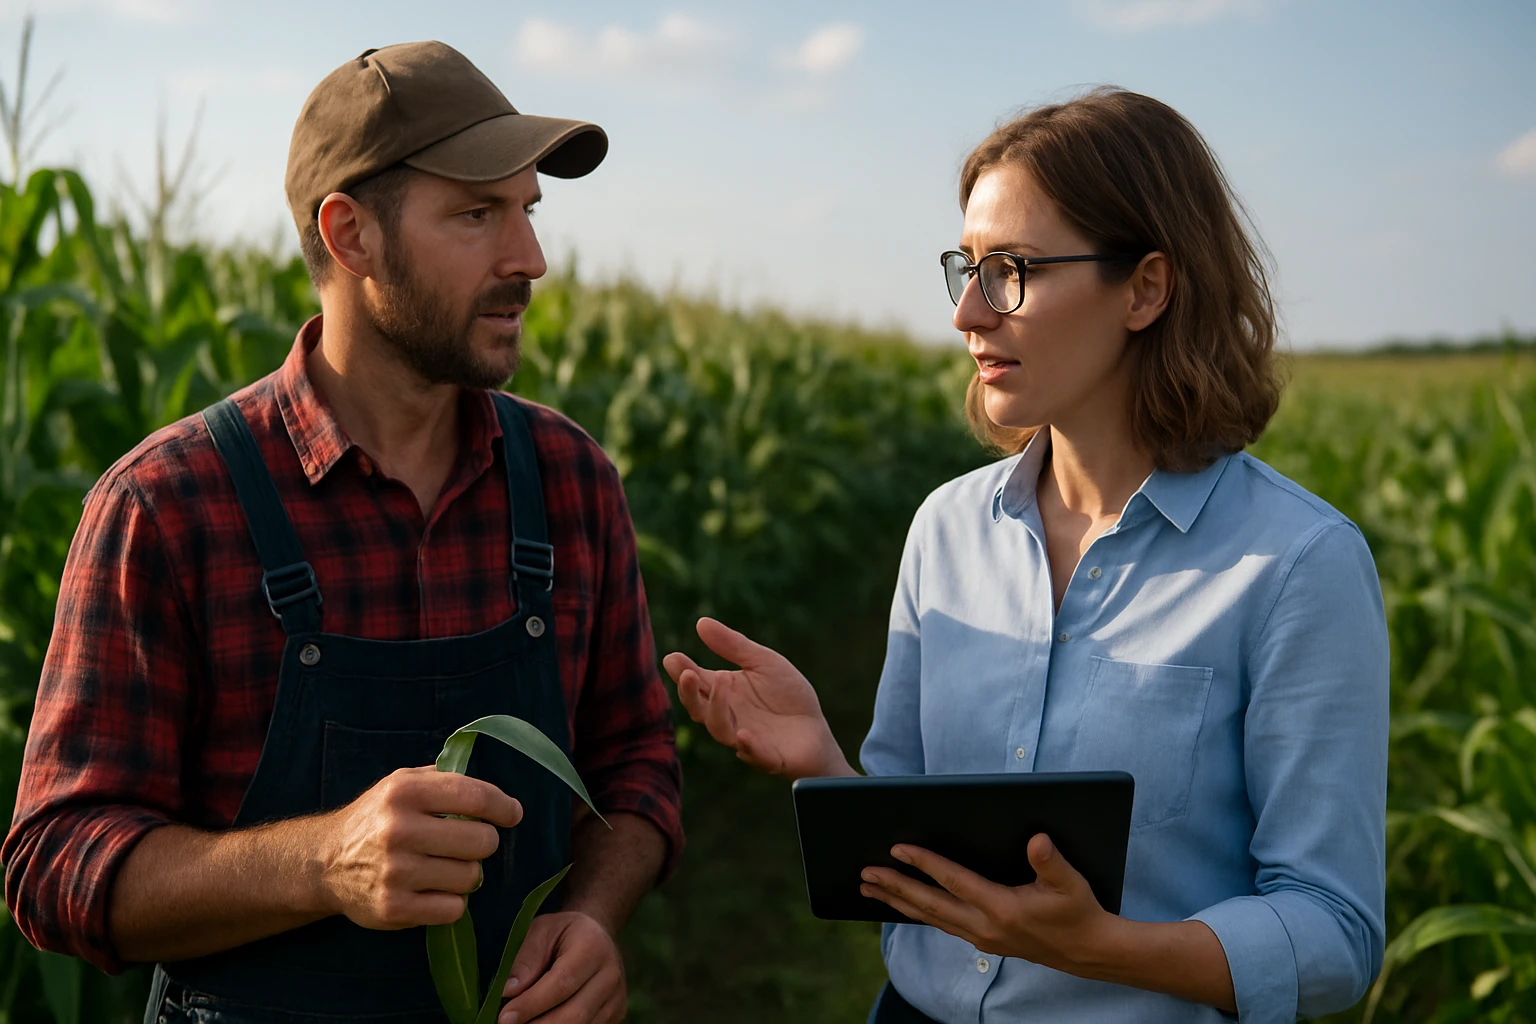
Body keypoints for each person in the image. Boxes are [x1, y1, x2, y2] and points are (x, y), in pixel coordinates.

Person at [663, 88, 1388, 1024]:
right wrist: (830, 771)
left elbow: (1334, 931)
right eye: (964, 269)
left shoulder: (1298, 565)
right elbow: (924, 848)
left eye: (1010, 270)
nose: (968, 313)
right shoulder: (945, 530)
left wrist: (1103, 950)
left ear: (1146, 288)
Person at [3, 41, 681, 1024]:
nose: (530, 259)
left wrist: (592, 915)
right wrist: (323, 860)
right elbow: (54, 861)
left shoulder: (573, 482)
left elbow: (635, 765)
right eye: (476, 213)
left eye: (528, 210)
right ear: (351, 235)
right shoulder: (168, 506)